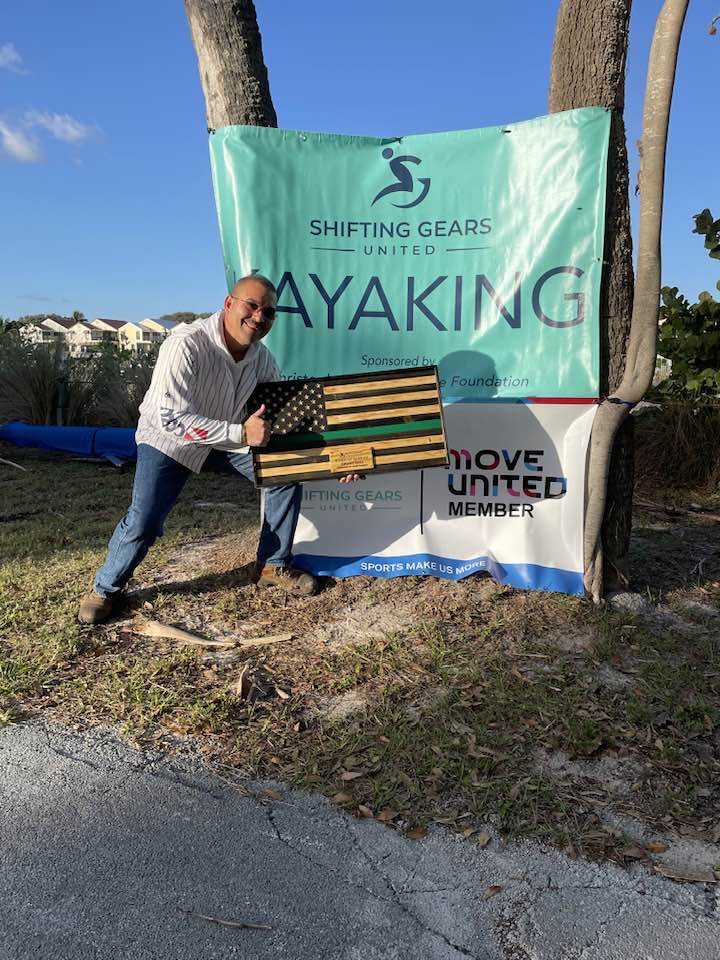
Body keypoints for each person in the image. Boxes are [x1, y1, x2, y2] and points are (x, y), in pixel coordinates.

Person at [78, 274, 358, 625]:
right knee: (145, 519)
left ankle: (272, 565)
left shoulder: (263, 359)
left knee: (283, 474)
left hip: (227, 441)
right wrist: (241, 432)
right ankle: (105, 589)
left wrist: (334, 458)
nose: (259, 317)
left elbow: (286, 422)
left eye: (269, 312)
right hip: (169, 440)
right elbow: (170, 419)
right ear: (228, 304)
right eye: (251, 305)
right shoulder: (185, 344)